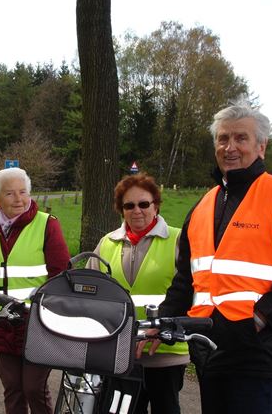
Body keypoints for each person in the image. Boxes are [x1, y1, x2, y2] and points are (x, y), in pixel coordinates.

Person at [158, 100, 272, 414]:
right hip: (208, 350)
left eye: (241, 138)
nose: (230, 147)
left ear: (261, 146)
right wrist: (162, 322)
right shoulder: (202, 205)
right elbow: (187, 280)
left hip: (257, 353)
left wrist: (263, 317)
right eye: (223, 139)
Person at [86, 172, 188, 414]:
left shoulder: (178, 240)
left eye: (144, 204)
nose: (137, 211)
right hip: (121, 351)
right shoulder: (107, 243)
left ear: (156, 206)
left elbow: (188, 290)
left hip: (164, 350)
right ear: (121, 210)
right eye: (129, 205)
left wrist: (167, 327)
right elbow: (92, 294)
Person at [0, 167, 70, 414]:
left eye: (23, 192)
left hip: (38, 323)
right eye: (10, 194)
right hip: (1, 323)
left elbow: (61, 276)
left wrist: (59, 322)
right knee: (13, 389)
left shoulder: (47, 225)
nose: (19, 199)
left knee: (33, 388)